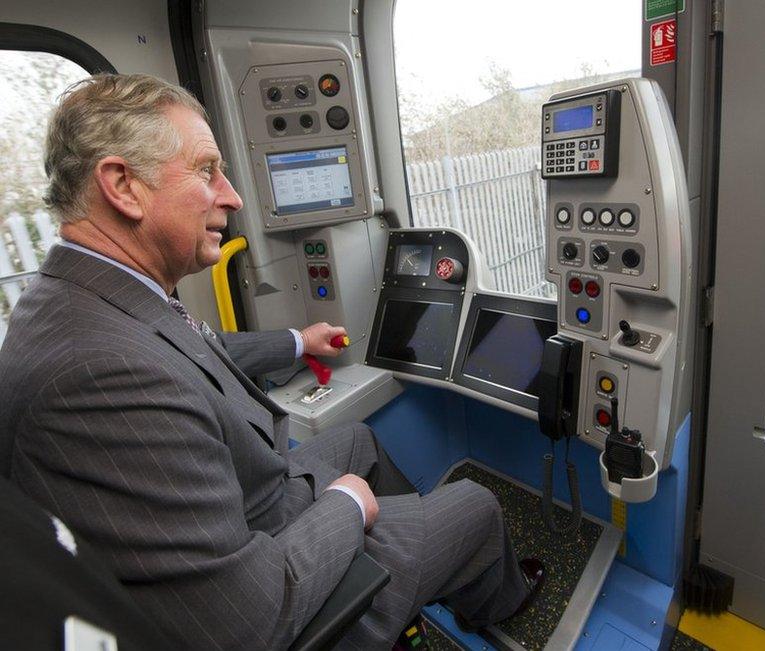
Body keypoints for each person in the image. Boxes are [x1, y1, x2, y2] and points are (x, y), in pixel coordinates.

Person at [0, 73, 541, 650]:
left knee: (358, 440)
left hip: (252, 503)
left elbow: (190, 349)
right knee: (477, 507)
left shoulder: (84, 300)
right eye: (207, 170)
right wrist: (346, 506)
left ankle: (415, 569)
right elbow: (246, 620)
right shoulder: (96, 378)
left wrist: (296, 341)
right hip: (272, 583)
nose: (231, 196)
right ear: (123, 185)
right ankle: (490, 599)